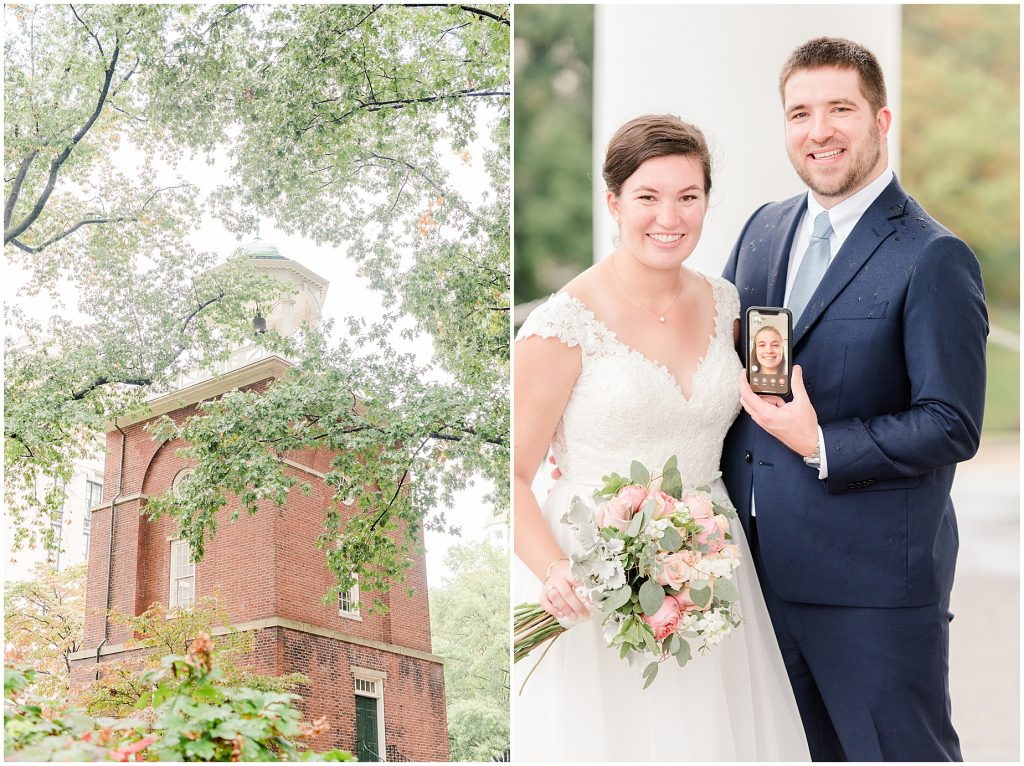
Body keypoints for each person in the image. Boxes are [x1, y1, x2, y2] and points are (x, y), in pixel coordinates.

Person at [721, 37, 987, 762]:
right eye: (800, 112)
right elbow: (719, 365)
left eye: (840, 108)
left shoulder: (933, 256)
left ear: (881, 119)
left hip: (874, 594)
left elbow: (952, 423)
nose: (819, 131)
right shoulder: (762, 230)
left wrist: (823, 443)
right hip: (758, 579)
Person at [512, 114, 810, 761]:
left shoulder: (730, 303)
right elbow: (510, 473)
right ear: (613, 201)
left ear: (706, 200)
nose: (668, 217)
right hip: (599, 574)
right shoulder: (559, 327)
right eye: (647, 197)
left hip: (712, 570)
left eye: (688, 197)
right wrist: (556, 571)